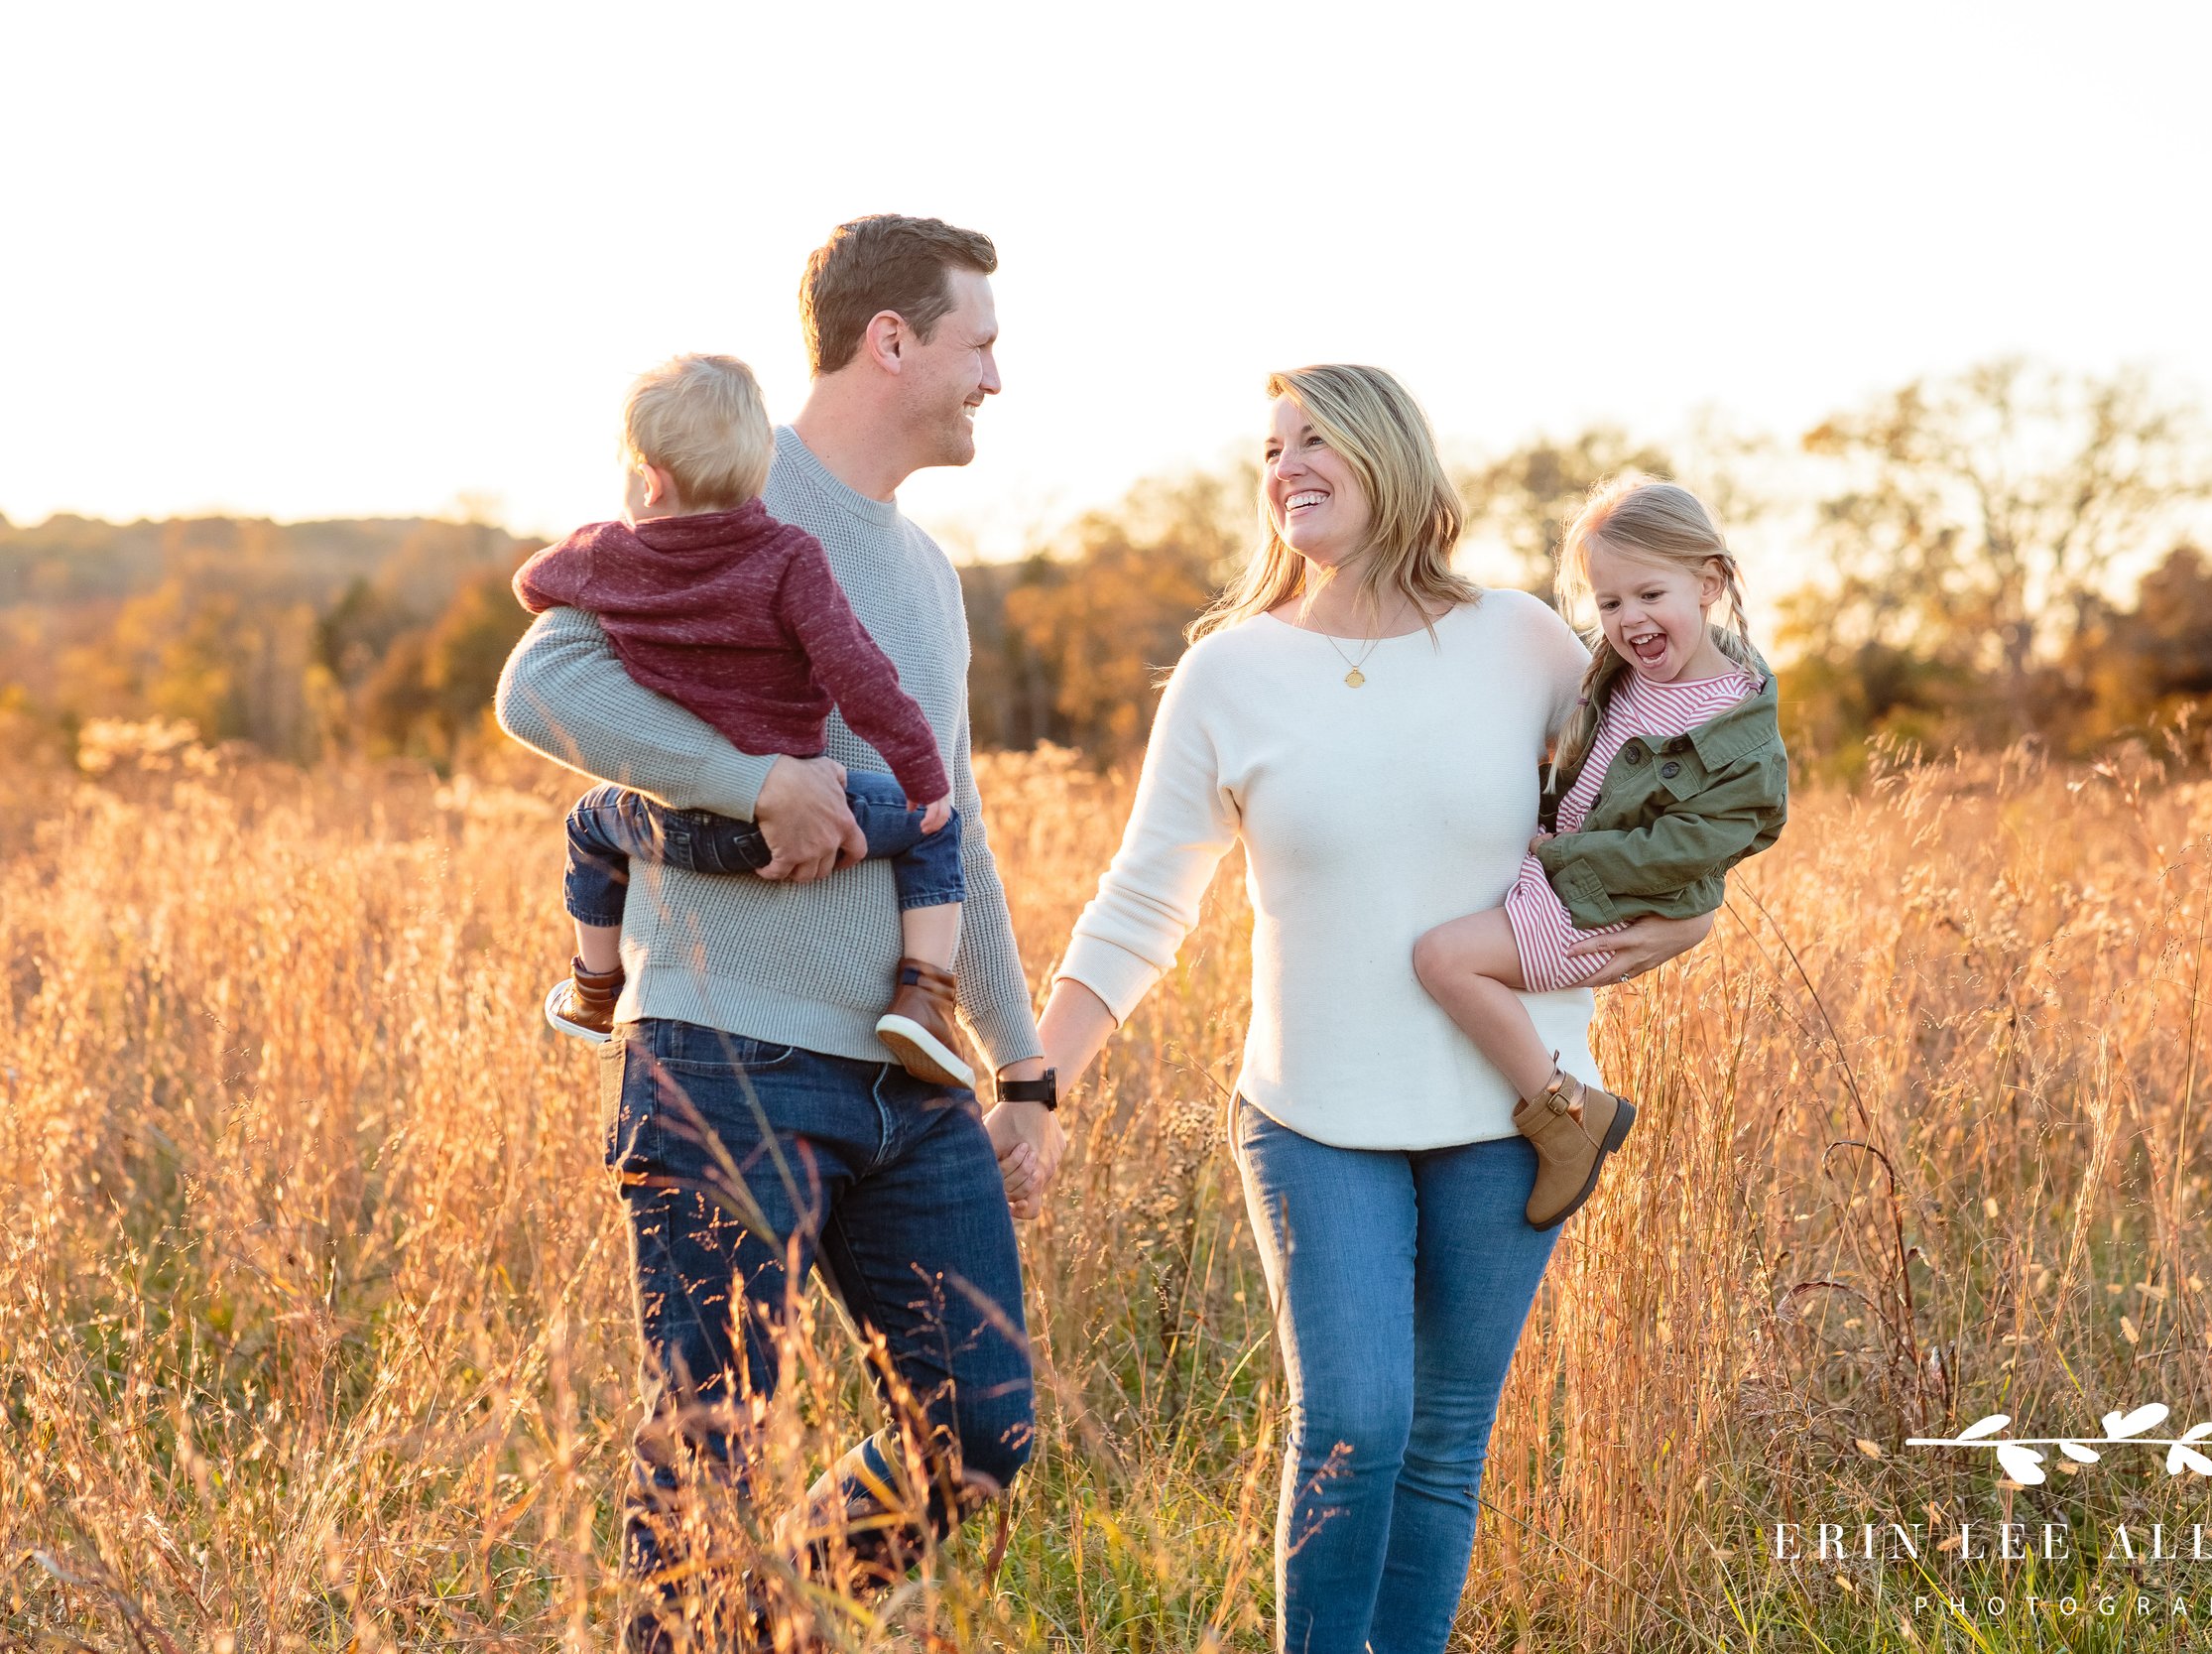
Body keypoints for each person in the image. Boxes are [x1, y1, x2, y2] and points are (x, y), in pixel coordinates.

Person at [1032, 365, 1714, 1654]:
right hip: (1313, 1113)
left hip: (1519, 1109)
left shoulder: (1522, 639)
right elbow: (1142, 902)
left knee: (1446, 1438)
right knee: (1353, 1418)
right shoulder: (1229, 674)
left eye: (1314, 436)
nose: (1285, 461)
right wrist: (1038, 1075)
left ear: (1389, 455)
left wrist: (1686, 919)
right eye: (1271, 444)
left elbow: (1657, 814)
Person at [493, 215, 1064, 1644]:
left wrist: (1026, 1064)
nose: (997, 375)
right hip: (729, 1059)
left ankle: (764, 1629)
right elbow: (540, 678)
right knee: (706, 1454)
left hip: (908, 1082)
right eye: (979, 341)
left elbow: (959, 829)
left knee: (981, 1430)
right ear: (893, 340)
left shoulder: (925, 574)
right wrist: (752, 780)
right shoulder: (732, 496)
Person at [515, 351, 973, 1086]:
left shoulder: (609, 555)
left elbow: (533, 582)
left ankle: (596, 988)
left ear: (649, 479)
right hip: (822, 812)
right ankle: (923, 993)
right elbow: (862, 677)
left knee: (590, 824)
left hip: (686, 828)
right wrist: (924, 777)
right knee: (936, 829)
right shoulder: (791, 556)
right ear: (760, 474)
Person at [1413, 479, 1787, 1229]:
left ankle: (1568, 1115)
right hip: (1568, 877)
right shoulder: (1622, 674)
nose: (1630, 620)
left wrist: (1564, 857)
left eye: (1651, 594)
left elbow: (1692, 845)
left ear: (1709, 581)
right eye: (1610, 603)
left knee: (1443, 959)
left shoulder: (1738, 732)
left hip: (1602, 903)